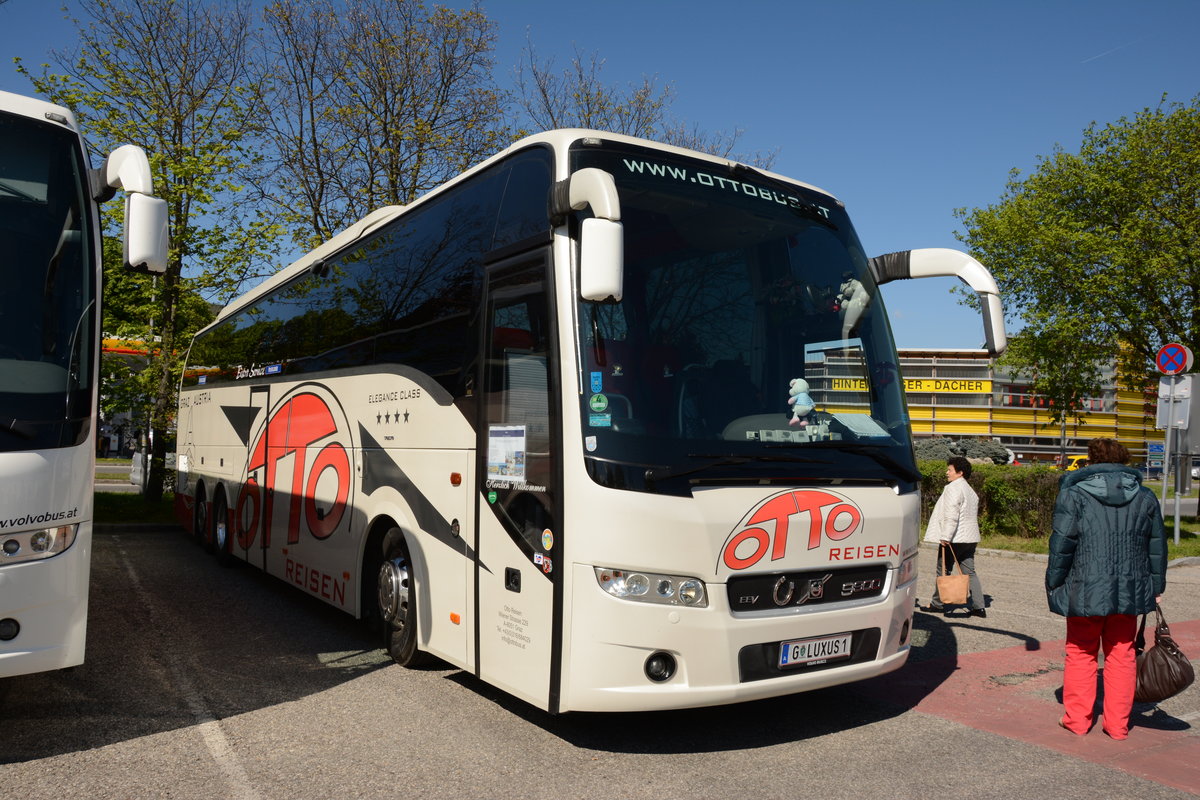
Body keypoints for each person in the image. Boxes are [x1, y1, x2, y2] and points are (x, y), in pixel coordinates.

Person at [1046, 437, 1167, 740]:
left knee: (1080, 651)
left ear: (1091, 460)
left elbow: (1061, 545)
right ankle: (1117, 725)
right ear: (1124, 461)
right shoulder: (1146, 496)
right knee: (1122, 654)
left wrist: (1054, 581)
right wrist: (1156, 585)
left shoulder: (1073, 495)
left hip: (1085, 585)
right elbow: (1157, 548)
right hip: (1129, 587)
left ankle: (1077, 720)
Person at [920, 456, 986, 617]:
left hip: (954, 538)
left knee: (942, 570)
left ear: (960, 473)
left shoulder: (953, 488)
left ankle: (937, 604)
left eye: (950, 470)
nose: (947, 472)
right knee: (969, 572)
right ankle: (979, 606)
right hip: (970, 538)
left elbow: (952, 515)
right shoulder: (970, 490)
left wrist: (945, 536)